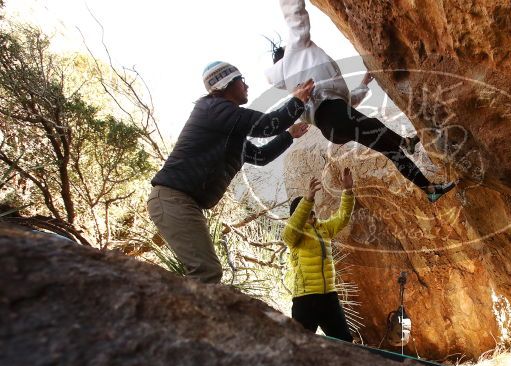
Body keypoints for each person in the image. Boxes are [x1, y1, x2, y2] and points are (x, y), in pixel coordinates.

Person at [265, 0, 455, 203]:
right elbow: (295, 17)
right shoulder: (295, 53)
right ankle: (406, 143)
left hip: (334, 125)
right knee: (377, 128)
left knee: (390, 149)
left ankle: (430, 189)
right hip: (336, 116)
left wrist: (364, 83)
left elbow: (345, 102)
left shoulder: (296, 92)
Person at [148, 61, 314, 283]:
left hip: (180, 202)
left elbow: (261, 157)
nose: (246, 86)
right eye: (241, 80)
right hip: (172, 199)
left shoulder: (228, 129)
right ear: (227, 84)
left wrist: (290, 135)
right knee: (206, 272)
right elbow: (268, 125)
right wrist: (297, 101)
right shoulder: (213, 109)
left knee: (207, 272)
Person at [283, 169, 355, 341]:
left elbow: (343, 218)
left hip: (329, 297)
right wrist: (307, 199)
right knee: (300, 344)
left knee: (345, 342)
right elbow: (291, 230)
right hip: (305, 299)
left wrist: (348, 191)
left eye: (311, 210)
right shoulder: (294, 235)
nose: (310, 214)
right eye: (305, 211)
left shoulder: (323, 228)